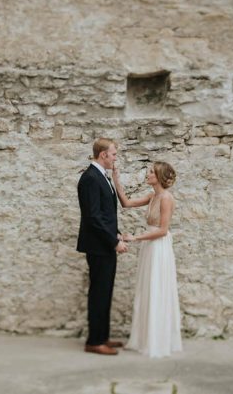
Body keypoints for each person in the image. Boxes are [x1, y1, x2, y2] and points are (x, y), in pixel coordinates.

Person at [112, 161, 182, 358]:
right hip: (149, 247)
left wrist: (135, 237)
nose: (148, 174)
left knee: (156, 288)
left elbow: (162, 230)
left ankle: (157, 340)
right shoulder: (153, 196)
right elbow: (126, 203)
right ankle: (143, 338)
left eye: (151, 172)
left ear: (159, 176)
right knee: (146, 289)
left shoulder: (166, 198)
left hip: (159, 247)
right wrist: (116, 179)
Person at [77, 138, 128, 356]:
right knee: (98, 293)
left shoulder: (101, 176)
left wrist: (115, 234)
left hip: (104, 244)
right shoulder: (90, 178)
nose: (116, 157)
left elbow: (106, 214)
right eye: (114, 154)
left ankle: (103, 336)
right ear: (103, 155)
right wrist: (114, 241)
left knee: (105, 292)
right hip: (98, 247)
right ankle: (94, 341)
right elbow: (93, 217)